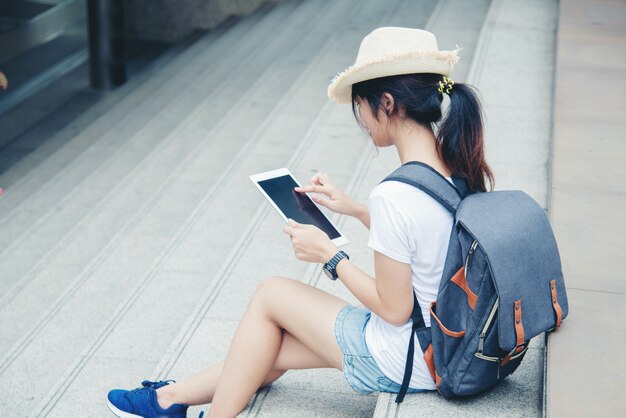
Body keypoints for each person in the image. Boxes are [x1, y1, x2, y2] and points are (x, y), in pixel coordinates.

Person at [106, 27, 493, 418]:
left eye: (360, 104)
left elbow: (393, 309)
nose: (361, 117)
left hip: (409, 356)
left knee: (271, 293)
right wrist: (354, 209)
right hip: (447, 341)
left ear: (387, 103)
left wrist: (330, 257)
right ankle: (167, 400)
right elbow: (426, 236)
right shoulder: (452, 163)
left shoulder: (395, 194)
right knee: (267, 342)